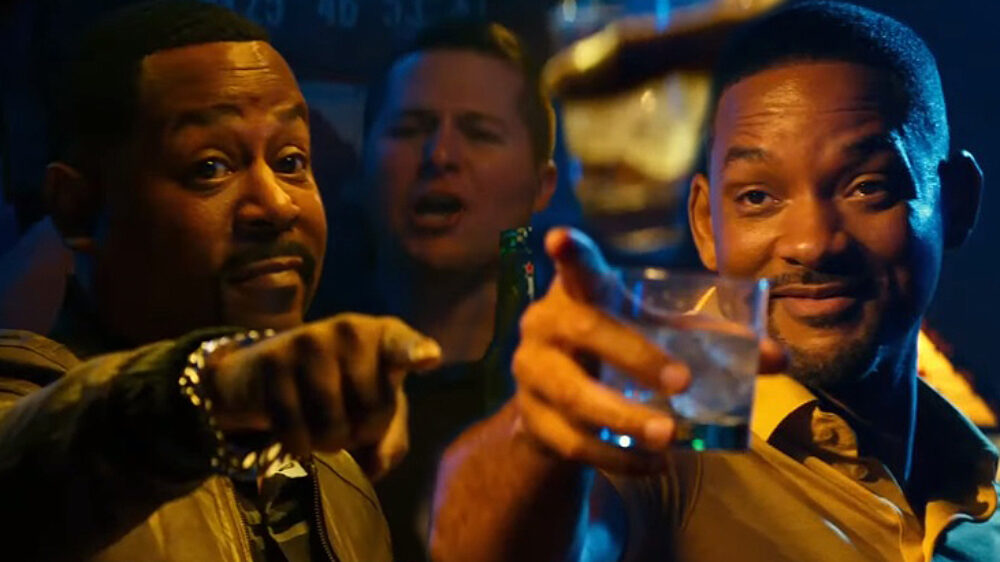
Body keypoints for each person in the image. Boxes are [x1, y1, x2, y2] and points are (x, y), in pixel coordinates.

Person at [430, 2, 997, 561]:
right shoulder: (661, 423)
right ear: (705, 222)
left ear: (958, 202)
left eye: (866, 187)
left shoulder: (979, 475)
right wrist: (534, 440)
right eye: (758, 197)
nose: (810, 243)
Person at [0, 2, 441, 560]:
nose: (276, 205)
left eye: (291, 160)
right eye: (210, 167)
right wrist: (213, 390)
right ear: (77, 209)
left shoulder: (341, 484)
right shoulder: (27, 406)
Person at [356, 20, 557, 559]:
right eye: (410, 128)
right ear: (364, 158)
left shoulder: (564, 400)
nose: (440, 154)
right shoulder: (304, 385)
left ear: (542, 186)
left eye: (479, 133)